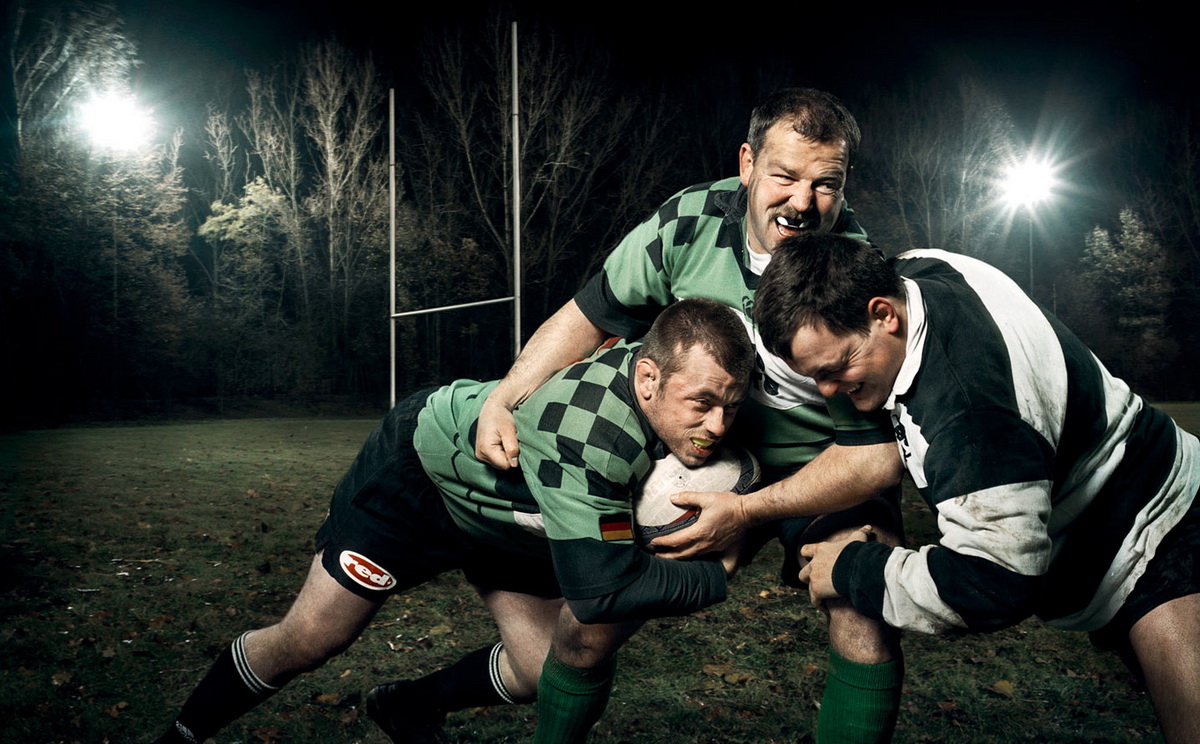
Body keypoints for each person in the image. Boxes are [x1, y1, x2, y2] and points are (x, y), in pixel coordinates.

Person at [474, 87, 906, 743]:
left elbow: (876, 458)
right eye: (785, 176)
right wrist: (503, 398)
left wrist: (750, 511)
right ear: (747, 164)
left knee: (863, 605)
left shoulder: (859, 272)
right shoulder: (689, 222)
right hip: (704, 457)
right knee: (588, 625)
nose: (803, 202)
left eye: (826, 184)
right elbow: (586, 316)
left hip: (822, 468)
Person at [151, 297, 754, 744]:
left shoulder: (669, 376)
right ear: (647, 379)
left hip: (513, 515)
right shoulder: (589, 437)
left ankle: (406, 705)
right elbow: (603, 594)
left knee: (538, 671)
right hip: (421, 481)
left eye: (730, 407)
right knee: (310, 640)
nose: (718, 426)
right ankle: (181, 734)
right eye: (701, 404)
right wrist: (716, 574)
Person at [753, 234, 1200, 744]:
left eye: (836, 369)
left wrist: (851, 568)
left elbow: (996, 581)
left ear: (883, 315)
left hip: (1158, 531)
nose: (828, 391)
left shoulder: (969, 415)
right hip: (1119, 532)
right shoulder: (918, 268)